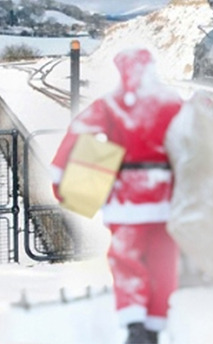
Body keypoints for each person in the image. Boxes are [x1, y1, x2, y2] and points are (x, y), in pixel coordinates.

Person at [50, 47, 183, 344]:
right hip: (165, 199)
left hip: (126, 201)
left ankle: (134, 323)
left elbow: (78, 132)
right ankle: (154, 325)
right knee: (163, 261)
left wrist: (61, 179)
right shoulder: (172, 103)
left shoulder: (109, 104)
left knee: (127, 260)